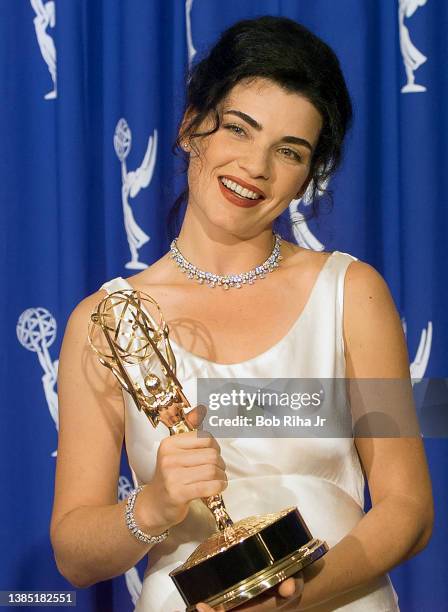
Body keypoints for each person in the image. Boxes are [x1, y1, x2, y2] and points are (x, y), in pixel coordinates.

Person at [50, 16, 433, 611]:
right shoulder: (107, 322)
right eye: (238, 129)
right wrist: (151, 507)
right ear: (189, 127)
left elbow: (409, 509)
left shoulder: (352, 293)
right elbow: (74, 554)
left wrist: (288, 597)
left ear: (309, 174)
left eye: (289, 151)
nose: (256, 167)